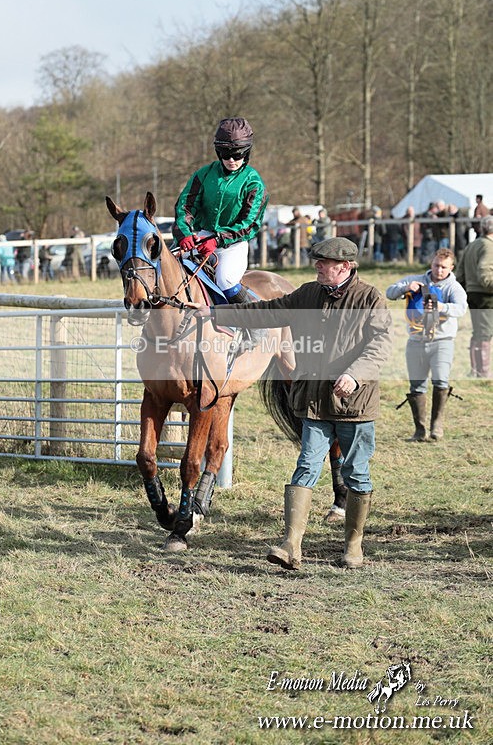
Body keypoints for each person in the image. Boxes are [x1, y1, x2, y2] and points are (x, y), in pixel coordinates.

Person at [193, 237, 392, 570]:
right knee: (305, 468)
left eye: (323, 262)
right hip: (313, 402)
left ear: (344, 266)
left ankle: (353, 546)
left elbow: (381, 346)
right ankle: (290, 546)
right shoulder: (308, 293)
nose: (316, 266)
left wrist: (355, 375)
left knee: (356, 473)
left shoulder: (370, 298)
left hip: (354, 405)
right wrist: (217, 313)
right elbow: (266, 312)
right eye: (316, 261)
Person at [173, 117, 268, 306]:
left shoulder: (254, 183)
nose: (231, 160)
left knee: (225, 280)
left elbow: (249, 225)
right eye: (226, 154)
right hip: (200, 237)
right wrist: (184, 233)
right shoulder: (204, 174)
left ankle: (255, 324)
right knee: (166, 268)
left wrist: (218, 239)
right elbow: (185, 206)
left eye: (238, 154)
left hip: (233, 244)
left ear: (246, 152)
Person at [386, 248, 467, 441]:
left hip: (442, 340)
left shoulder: (453, 287)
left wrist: (442, 307)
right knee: (417, 385)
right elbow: (390, 292)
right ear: (431, 263)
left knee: (440, 381)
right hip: (415, 341)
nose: (439, 270)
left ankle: (436, 426)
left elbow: (462, 308)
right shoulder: (416, 279)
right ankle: (420, 430)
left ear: (451, 267)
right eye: (436, 265)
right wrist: (405, 288)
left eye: (444, 267)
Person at [455, 215, 493, 379]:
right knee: (484, 333)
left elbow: (460, 275)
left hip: (472, 294)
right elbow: (485, 274)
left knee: (478, 332)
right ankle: (483, 373)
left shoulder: (472, 245)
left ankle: (476, 370)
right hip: (486, 295)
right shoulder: (489, 246)